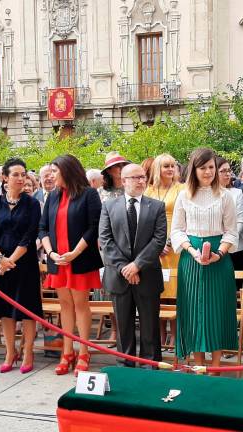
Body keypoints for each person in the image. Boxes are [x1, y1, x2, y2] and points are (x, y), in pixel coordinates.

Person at [170, 147, 238, 373]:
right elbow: (177, 231)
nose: (208, 172)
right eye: (203, 168)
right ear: (194, 170)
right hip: (191, 260)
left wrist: (219, 253)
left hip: (219, 259)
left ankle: (216, 367)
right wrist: (192, 250)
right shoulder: (183, 195)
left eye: (211, 167)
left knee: (217, 310)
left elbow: (231, 231)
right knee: (193, 310)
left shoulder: (225, 196)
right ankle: (199, 365)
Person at [40, 155, 103, 376]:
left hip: (80, 259)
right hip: (58, 260)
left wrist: (75, 253)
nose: (51, 175)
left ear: (67, 171)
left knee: (81, 305)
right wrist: (51, 252)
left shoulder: (89, 194)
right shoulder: (53, 196)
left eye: (54, 171)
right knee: (65, 306)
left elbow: (94, 227)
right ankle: (67, 352)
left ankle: (84, 352)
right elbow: (43, 228)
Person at [99, 164, 167, 367]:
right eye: (135, 177)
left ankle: (150, 365)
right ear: (123, 180)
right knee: (123, 326)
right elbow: (106, 240)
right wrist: (125, 268)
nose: (141, 181)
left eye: (143, 177)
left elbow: (159, 239)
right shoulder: (109, 206)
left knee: (150, 327)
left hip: (147, 275)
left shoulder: (156, 206)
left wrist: (137, 265)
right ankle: (125, 365)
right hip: (119, 278)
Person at [0, 158, 43, 373]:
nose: (20, 178)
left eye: (23, 174)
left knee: (26, 309)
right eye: (15, 174)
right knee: (4, 310)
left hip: (23, 264)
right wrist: (0, 259)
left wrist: (11, 261)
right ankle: (10, 352)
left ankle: (28, 351)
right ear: (5, 178)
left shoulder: (32, 203)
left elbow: (29, 236)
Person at [145, 153, 186, 270]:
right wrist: (155, 244)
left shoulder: (182, 189)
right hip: (154, 240)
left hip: (176, 238)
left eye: (173, 166)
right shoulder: (149, 191)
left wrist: (170, 241)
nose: (171, 169)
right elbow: (145, 220)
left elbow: (186, 217)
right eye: (166, 166)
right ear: (158, 168)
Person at [217, 157, 243, 271]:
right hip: (213, 245)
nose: (227, 174)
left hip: (235, 246)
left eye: (229, 170)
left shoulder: (237, 193)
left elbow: (241, 221)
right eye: (223, 171)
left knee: (236, 285)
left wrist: (229, 239)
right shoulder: (206, 194)